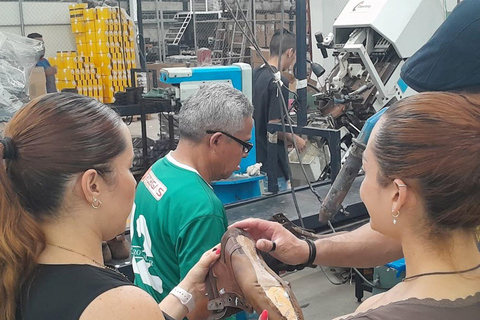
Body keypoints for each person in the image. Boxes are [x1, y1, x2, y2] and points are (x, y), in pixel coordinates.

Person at [233, 92, 480, 319]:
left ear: (397, 195)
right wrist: (307, 250)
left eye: (365, 171)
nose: (361, 187)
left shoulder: (373, 312)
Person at [0, 92, 225, 320]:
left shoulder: (17, 269)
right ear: (93, 185)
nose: (133, 181)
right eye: (128, 167)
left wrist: (186, 291)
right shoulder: (117, 304)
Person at [131, 83, 254, 320]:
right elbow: (206, 309)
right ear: (216, 141)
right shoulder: (202, 207)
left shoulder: (155, 172)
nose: (244, 154)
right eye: (244, 145)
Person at [252, 29, 306, 191]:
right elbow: (273, 127)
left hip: (256, 160)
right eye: (294, 56)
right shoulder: (278, 80)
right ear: (290, 52)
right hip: (272, 166)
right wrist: (295, 139)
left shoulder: (256, 74)